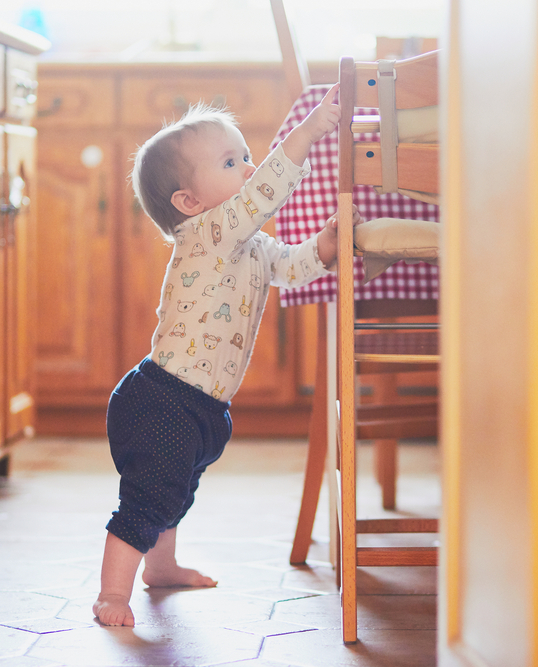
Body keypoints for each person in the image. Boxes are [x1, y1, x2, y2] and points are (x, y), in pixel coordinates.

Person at [93, 84, 359, 627]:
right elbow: (261, 197)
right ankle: (111, 595)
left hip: (200, 405)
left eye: (247, 156)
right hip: (162, 398)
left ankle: (160, 568)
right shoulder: (206, 233)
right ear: (188, 203)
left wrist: (326, 247)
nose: (248, 168)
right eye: (232, 161)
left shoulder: (250, 246)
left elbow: (290, 266)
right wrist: (306, 132)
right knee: (149, 497)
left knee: (176, 491)